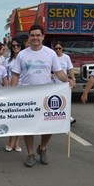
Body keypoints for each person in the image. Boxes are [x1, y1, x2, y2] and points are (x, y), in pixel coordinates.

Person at [11, 24, 73, 167]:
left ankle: (42, 148)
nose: (35, 38)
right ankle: (30, 153)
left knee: (49, 125)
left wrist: (68, 80)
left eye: (38, 35)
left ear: (43, 37)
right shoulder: (22, 54)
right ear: (29, 37)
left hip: (46, 95)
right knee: (29, 126)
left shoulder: (50, 53)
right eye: (33, 35)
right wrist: (12, 92)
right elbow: (15, 75)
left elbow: (58, 72)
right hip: (27, 95)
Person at [4, 37, 23, 152]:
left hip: (23, 90)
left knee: (21, 118)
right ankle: (10, 141)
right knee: (12, 117)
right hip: (11, 91)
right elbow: (5, 75)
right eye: (14, 45)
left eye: (18, 46)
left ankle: (17, 142)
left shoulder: (25, 58)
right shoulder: (7, 61)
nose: (16, 47)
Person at [52, 41, 77, 124]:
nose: (58, 50)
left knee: (65, 100)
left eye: (59, 48)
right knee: (55, 100)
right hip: (54, 83)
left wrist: (73, 79)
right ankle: (56, 116)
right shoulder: (52, 57)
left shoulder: (66, 57)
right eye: (56, 48)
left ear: (62, 48)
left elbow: (70, 69)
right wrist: (51, 75)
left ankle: (68, 117)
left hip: (64, 83)